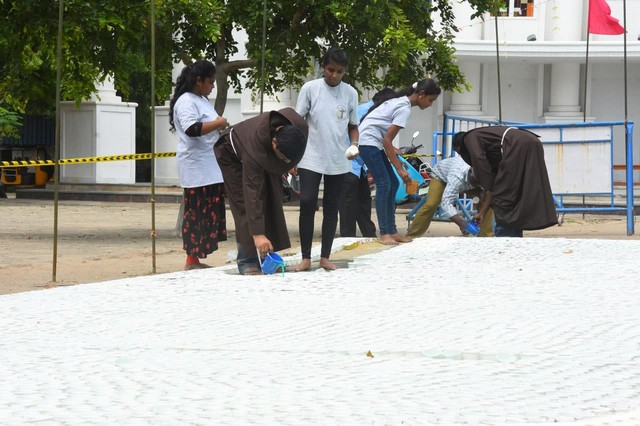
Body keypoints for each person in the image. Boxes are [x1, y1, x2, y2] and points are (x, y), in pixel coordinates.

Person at [214, 108, 308, 275]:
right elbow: (252, 192)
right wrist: (257, 235)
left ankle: (268, 257)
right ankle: (247, 260)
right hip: (231, 154)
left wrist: (291, 162)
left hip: (264, 153)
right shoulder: (255, 148)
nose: (285, 162)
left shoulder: (299, 127)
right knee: (245, 203)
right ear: (274, 142)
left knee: (271, 198)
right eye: (283, 158)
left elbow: (292, 150)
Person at [294, 47, 360, 271]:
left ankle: (325, 257)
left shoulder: (350, 93)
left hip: (338, 157)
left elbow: (353, 126)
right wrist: (293, 156)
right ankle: (305, 257)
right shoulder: (310, 89)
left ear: (345, 71)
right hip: (310, 154)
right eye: (331, 70)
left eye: (339, 71)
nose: (334, 75)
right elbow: (298, 122)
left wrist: (354, 144)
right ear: (323, 67)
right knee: (307, 202)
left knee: (332, 207)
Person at [358, 78, 441, 245]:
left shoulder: (400, 102)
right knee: (384, 184)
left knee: (393, 183)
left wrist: (396, 157)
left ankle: (392, 231)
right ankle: (384, 233)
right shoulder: (403, 108)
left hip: (373, 142)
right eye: (430, 100)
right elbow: (387, 141)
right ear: (421, 94)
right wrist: (400, 169)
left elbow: (385, 138)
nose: (430, 104)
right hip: (368, 143)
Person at [169, 60, 229, 270]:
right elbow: (192, 129)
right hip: (196, 167)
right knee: (196, 212)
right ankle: (191, 260)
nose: (213, 86)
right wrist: (218, 123)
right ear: (198, 80)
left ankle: (197, 258)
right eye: (210, 82)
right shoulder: (186, 101)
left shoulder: (201, 99)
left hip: (210, 165)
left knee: (208, 211)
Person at [452, 126, 558, 237]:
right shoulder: (493, 154)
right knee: (515, 197)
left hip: (517, 145)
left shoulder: (469, 137)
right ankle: (514, 237)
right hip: (531, 142)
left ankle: (504, 237)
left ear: (459, 147)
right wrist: (482, 213)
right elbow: (493, 190)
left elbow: (479, 159)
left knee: (503, 197)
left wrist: (486, 184)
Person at [338, 88, 395, 238]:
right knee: (348, 205)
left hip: (359, 166)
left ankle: (369, 235)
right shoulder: (364, 111)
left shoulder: (372, 111)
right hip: (348, 164)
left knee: (364, 201)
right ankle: (348, 238)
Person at [405, 155, 494, 238]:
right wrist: (461, 223)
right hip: (441, 177)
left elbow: (490, 192)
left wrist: (481, 213)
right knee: (431, 204)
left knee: (486, 204)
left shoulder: (486, 172)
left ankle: (485, 238)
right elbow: (446, 202)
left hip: (467, 180)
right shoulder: (456, 177)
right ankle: (412, 236)